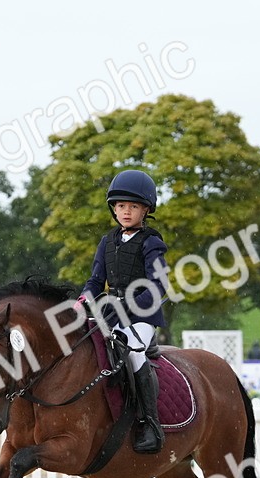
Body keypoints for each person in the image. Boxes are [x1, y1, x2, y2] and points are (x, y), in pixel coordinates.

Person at [78, 169, 169, 454]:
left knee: (133, 353)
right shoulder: (107, 242)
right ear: (113, 209)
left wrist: (127, 306)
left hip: (142, 314)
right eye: (120, 206)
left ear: (146, 209)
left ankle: (149, 423)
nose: (126, 212)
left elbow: (158, 286)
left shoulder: (152, 242)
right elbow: (96, 281)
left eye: (133, 206)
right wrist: (82, 300)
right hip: (110, 312)